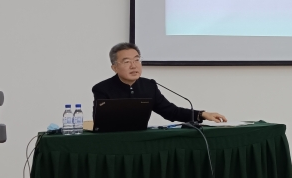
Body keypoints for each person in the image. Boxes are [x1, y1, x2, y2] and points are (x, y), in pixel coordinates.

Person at [92, 42, 227, 123]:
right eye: (127, 62)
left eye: (137, 60)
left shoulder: (149, 86)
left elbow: (171, 112)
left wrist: (202, 114)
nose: (133, 66)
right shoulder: (102, 89)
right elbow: (101, 122)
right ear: (114, 68)